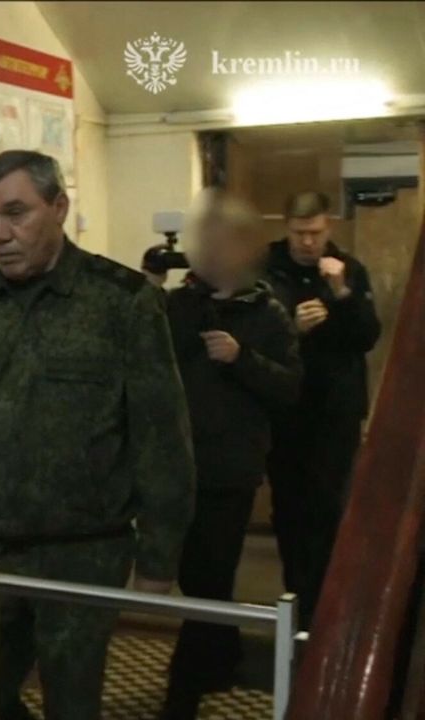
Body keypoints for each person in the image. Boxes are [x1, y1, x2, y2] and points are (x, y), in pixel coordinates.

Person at [0, 150, 196, 720]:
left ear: (59, 207)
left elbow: (161, 437)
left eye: (16, 213)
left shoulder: (121, 302)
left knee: (71, 703)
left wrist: (158, 560)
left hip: (85, 551)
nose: (0, 234)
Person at [160, 190, 302, 719]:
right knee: (193, 576)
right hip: (176, 467)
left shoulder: (269, 314)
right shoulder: (181, 306)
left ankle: (184, 691)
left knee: (208, 578)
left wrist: (242, 359)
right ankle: (222, 657)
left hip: (230, 470)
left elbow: (289, 388)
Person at [264, 191, 381, 629]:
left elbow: (368, 335)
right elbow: (254, 335)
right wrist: (292, 330)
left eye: (315, 233)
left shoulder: (348, 269)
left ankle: (325, 609)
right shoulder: (266, 268)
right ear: (287, 227)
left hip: (336, 412)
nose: (307, 243)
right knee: (289, 510)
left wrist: (342, 293)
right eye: (299, 233)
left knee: (330, 511)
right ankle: (295, 604)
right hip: (287, 410)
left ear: (327, 227)